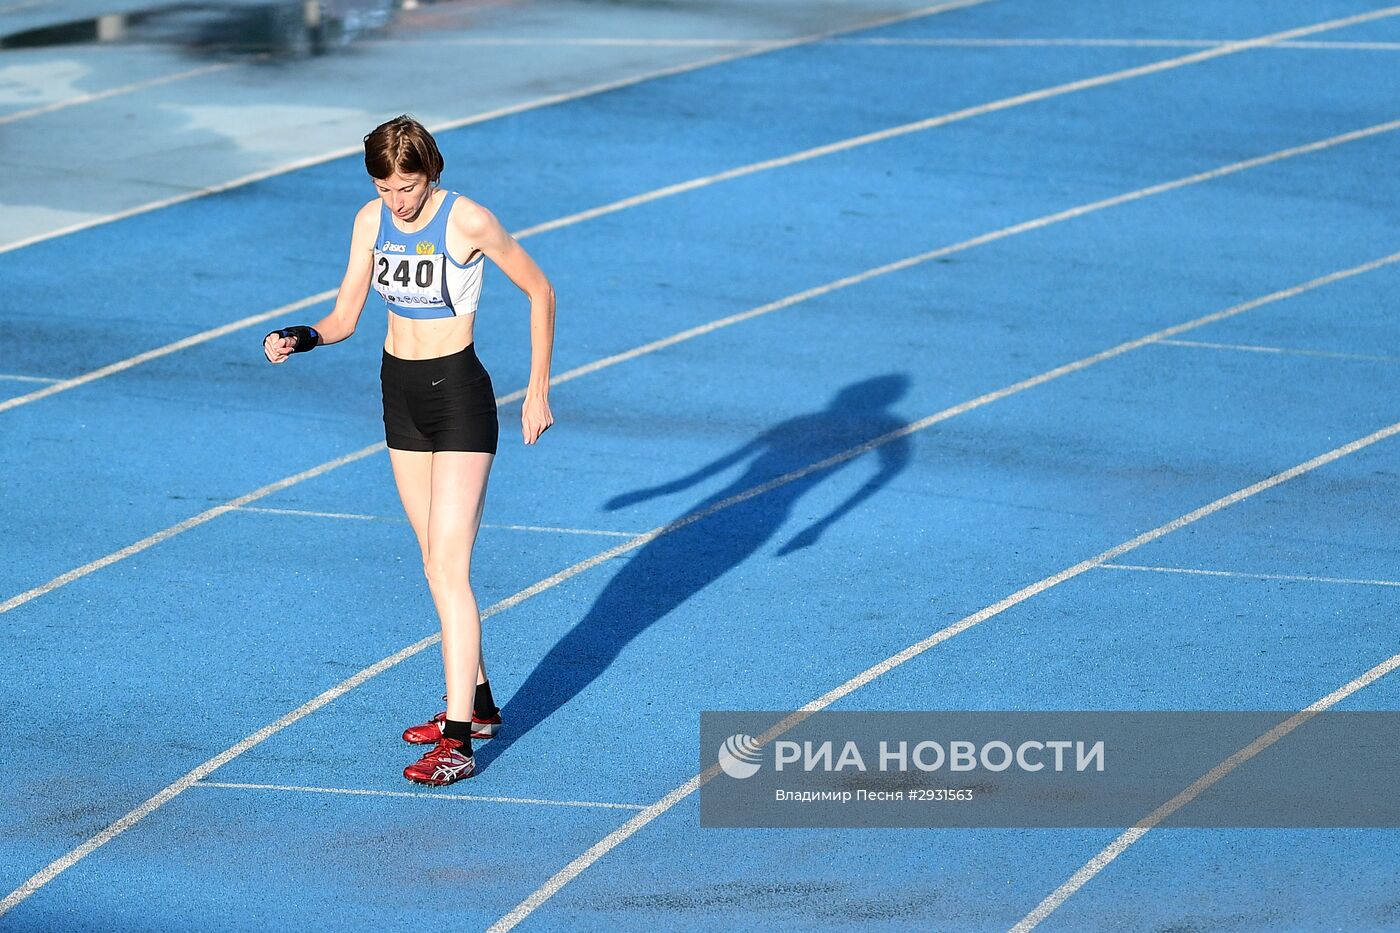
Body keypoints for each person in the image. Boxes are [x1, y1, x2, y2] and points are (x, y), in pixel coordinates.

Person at [263, 114, 555, 785]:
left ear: (432, 171)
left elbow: (540, 290)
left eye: (409, 185)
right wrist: (300, 336)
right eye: (386, 187)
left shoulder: (468, 221)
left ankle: (458, 741)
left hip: (458, 398)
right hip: (400, 395)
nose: (399, 201)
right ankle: (477, 702)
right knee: (431, 561)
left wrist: (536, 388)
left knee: (450, 568)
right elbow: (344, 317)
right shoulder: (372, 222)